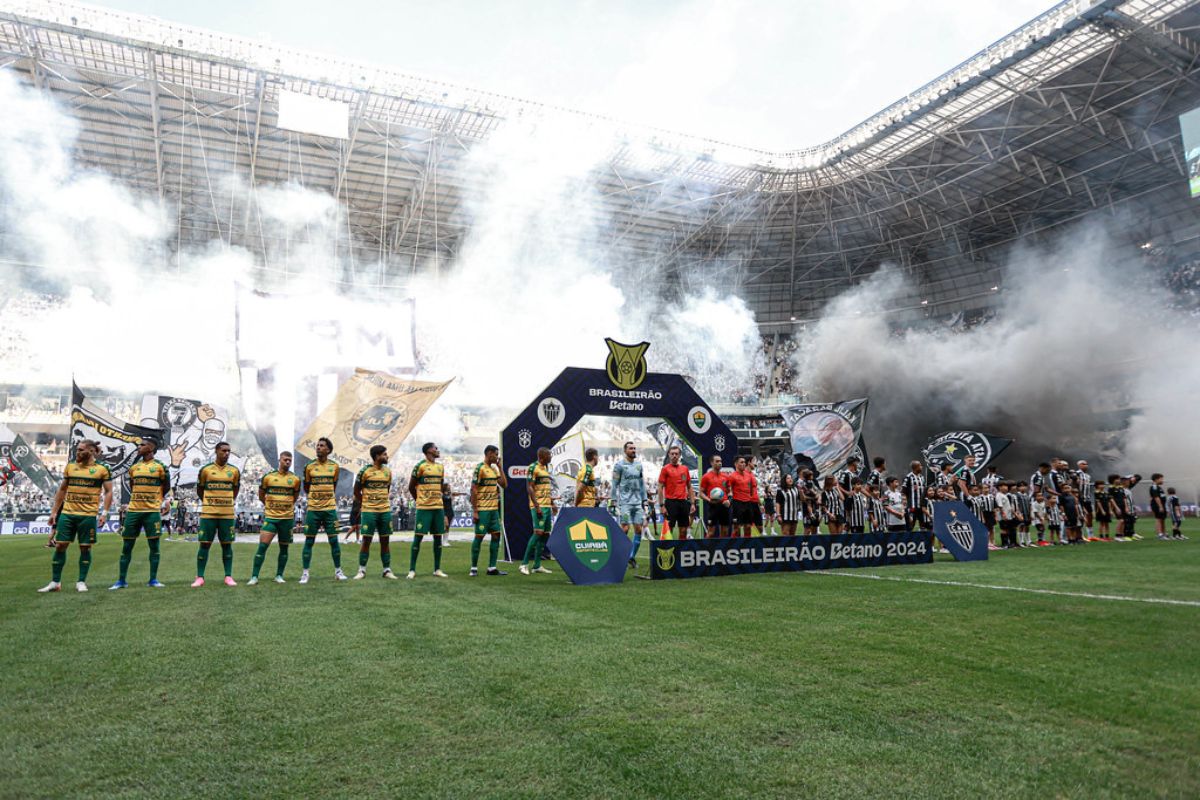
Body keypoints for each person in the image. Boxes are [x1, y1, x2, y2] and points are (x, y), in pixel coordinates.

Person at [38, 439, 113, 593]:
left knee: (85, 548)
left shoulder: (102, 469)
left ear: (91, 451)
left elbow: (108, 491)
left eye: (80, 450)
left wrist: (104, 512)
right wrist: (54, 512)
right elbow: (62, 490)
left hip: (88, 515)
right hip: (68, 514)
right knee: (59, 546)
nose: (77, 453)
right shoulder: (71, 467)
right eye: (77, 450)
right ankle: (55, 582)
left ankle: (81, 581)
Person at [110, 436, 171, 590]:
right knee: (127, 547)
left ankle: (153, 580)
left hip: (151, 512)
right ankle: (121, 581)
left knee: (154, 546)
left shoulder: (160, 467)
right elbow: (132, 486)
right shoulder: (134, 468)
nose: (139, 447)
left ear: (151, 448)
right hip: (134, 511)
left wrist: (156, 500)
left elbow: (166, 486)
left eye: (142, 445)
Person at [249, 450, 302, 585]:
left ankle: (279, 575)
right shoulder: (268, 477)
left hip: (287, 519)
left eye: (289, 460)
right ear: (280, 460)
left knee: (284, 548)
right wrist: (268, 505)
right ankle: (254, 577)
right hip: (271, 518)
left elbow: (294, 498)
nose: (287, 462)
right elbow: (261, 494)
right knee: (262, 547)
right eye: (285, 459)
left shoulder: (295, 479)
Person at [191, 441, 240, 587]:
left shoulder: (234, 471)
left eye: (228, 451)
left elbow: (235, 490)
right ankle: (200, 577)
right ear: (216, 451)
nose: (226, 453)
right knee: (204, 545)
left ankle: (228, 576)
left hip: (227, 515)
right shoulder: (206, 470)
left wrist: (226, 501)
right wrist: (210, 502)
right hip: (209, 514)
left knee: (227, 545)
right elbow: (200, 490)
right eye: (224, 450)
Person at [300, 437, 346, 584]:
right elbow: (306, 487)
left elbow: (334, 485)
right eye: (317, 445)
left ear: (328, 450)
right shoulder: (309, 466)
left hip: (330, 509)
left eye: (322, 446)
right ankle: (305, 573)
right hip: (313, 509)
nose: (318, 447)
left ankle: (338, 571)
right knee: (309, 541)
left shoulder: (335, 466)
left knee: (334, 540)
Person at [354, 445, 399, 580]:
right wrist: (365, 503)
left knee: (385, 540)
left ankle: (386, 570)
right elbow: (356, 491)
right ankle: (361, 570)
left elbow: (387, 489)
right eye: (384, 454)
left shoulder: (388, 472)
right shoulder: (365, 471)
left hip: (384, 510)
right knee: (366, 540)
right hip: (369, 511)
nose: (387, 456)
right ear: (377, 456)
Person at [408, 442, 449, 579]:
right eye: (435, 448)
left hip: (438, 508)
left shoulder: (440, 467)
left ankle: (437, 569)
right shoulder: (420, 466)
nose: (437, 450)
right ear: (428, 451)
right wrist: (419, 500)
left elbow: (441, 486)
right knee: (418, 537)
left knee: (438, 537)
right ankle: (412, 570)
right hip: (424, 508)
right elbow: (411, 486)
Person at [469, 445, 508, 576]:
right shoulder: (480, 468)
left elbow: (504, 485)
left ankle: (492, 568)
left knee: (496, 535)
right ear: (489, 453)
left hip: (493, 510)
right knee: (479, 537)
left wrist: (500, 467)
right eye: (496, 454)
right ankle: (473, 568)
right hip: (483, 509)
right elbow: (473, 490)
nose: (497, 457)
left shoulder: (493, 470)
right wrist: (475, 510)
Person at [520, 447, 555, 575]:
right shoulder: (532, 467)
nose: (551, 457)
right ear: (543, 456)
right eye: (549, 455)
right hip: (538, 506)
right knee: (537, 533)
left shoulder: (545, 468)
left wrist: (552, 503)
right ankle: (524, 564)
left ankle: (537, 565)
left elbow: (545, 489)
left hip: (547, 506)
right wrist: (537, 506)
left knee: (545, 535)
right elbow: (529, 487)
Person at [612, 442, 647, 565]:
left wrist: (645, 500)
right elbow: (614, 484)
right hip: (625, 503)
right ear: (625, 451)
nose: (633, 450)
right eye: (631, 448)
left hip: (637, 504)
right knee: (625, 528)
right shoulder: (619, 465)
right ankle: (618, 554)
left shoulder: (639, 465)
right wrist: (613, 500)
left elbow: (642, 484)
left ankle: (631, 557)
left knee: (638, 529)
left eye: (634, 448)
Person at [658, 445, 695, 540]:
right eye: (672, 454)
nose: (674, 456)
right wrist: (662, 505)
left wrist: (692, 503)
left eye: (676, 454)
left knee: (683, 531)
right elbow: (660, 487)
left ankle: (680, 553)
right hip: (670, 503)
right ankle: (667, 553)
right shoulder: (665, 469)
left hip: (683, 503)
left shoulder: (685, 469)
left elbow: (689, 487)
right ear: (669, 455)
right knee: (668, 531)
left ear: (680, 455)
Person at [699, 455, 731, 538]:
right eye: (717, 461)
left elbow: (730, 491)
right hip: (713, 506)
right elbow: (701, 493)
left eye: (720, 461)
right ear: (711, 463)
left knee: (725, 532)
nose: (719, 463)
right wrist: (709, 500)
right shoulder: (706, 477)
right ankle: (707, 549)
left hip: (724, 506)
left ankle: (722, 550)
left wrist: (729, 500)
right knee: (711, 533)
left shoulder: (726, 476)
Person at [726, 456, 757, 538]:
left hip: (748, 504)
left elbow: (751, 489)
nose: (744, 464)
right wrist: (729, 499)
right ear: (736, 464)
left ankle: (747, 547)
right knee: (736, 529)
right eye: (741, 462)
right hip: (737, 504)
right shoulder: (731, 476)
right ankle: (735, 547)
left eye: (744, 462)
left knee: (748, 527)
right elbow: (728, 490)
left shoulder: (749, 475)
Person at [902, 461, 926, 531]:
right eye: (920, 466)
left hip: (921, 506)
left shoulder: (922, 477)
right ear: (916, 467)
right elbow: (903, 490)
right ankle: (908, 539)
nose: (921, 467)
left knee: (923, 524)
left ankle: (922, 540)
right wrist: (906, 502)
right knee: (911, 524)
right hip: (912, 506)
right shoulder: (909, 477)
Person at [994, 481, 1018, 549]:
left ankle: (1008, 543)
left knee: (1007, 529)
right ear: (1000, 487)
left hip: (1008, 515)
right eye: (1004, 486)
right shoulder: (998, 495)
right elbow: (1000, 506)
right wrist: (1003, 514)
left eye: (1006, 486)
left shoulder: (1004, 495)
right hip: (1003, 516)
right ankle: (1004, 544)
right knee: (1004, 529)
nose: (1006, 487)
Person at [1149, 473, 1169, 541]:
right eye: (1161, 479)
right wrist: (1160, 506)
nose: (1162, 480)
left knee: (1162, 519)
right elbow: (1156, 497)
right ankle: (1160, 534)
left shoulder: (1158, 487)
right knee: (1159, 519)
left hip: (1162, 505)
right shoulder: (1154, 487)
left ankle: (1164, 533)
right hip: (1157, 505)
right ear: (1156, 479)